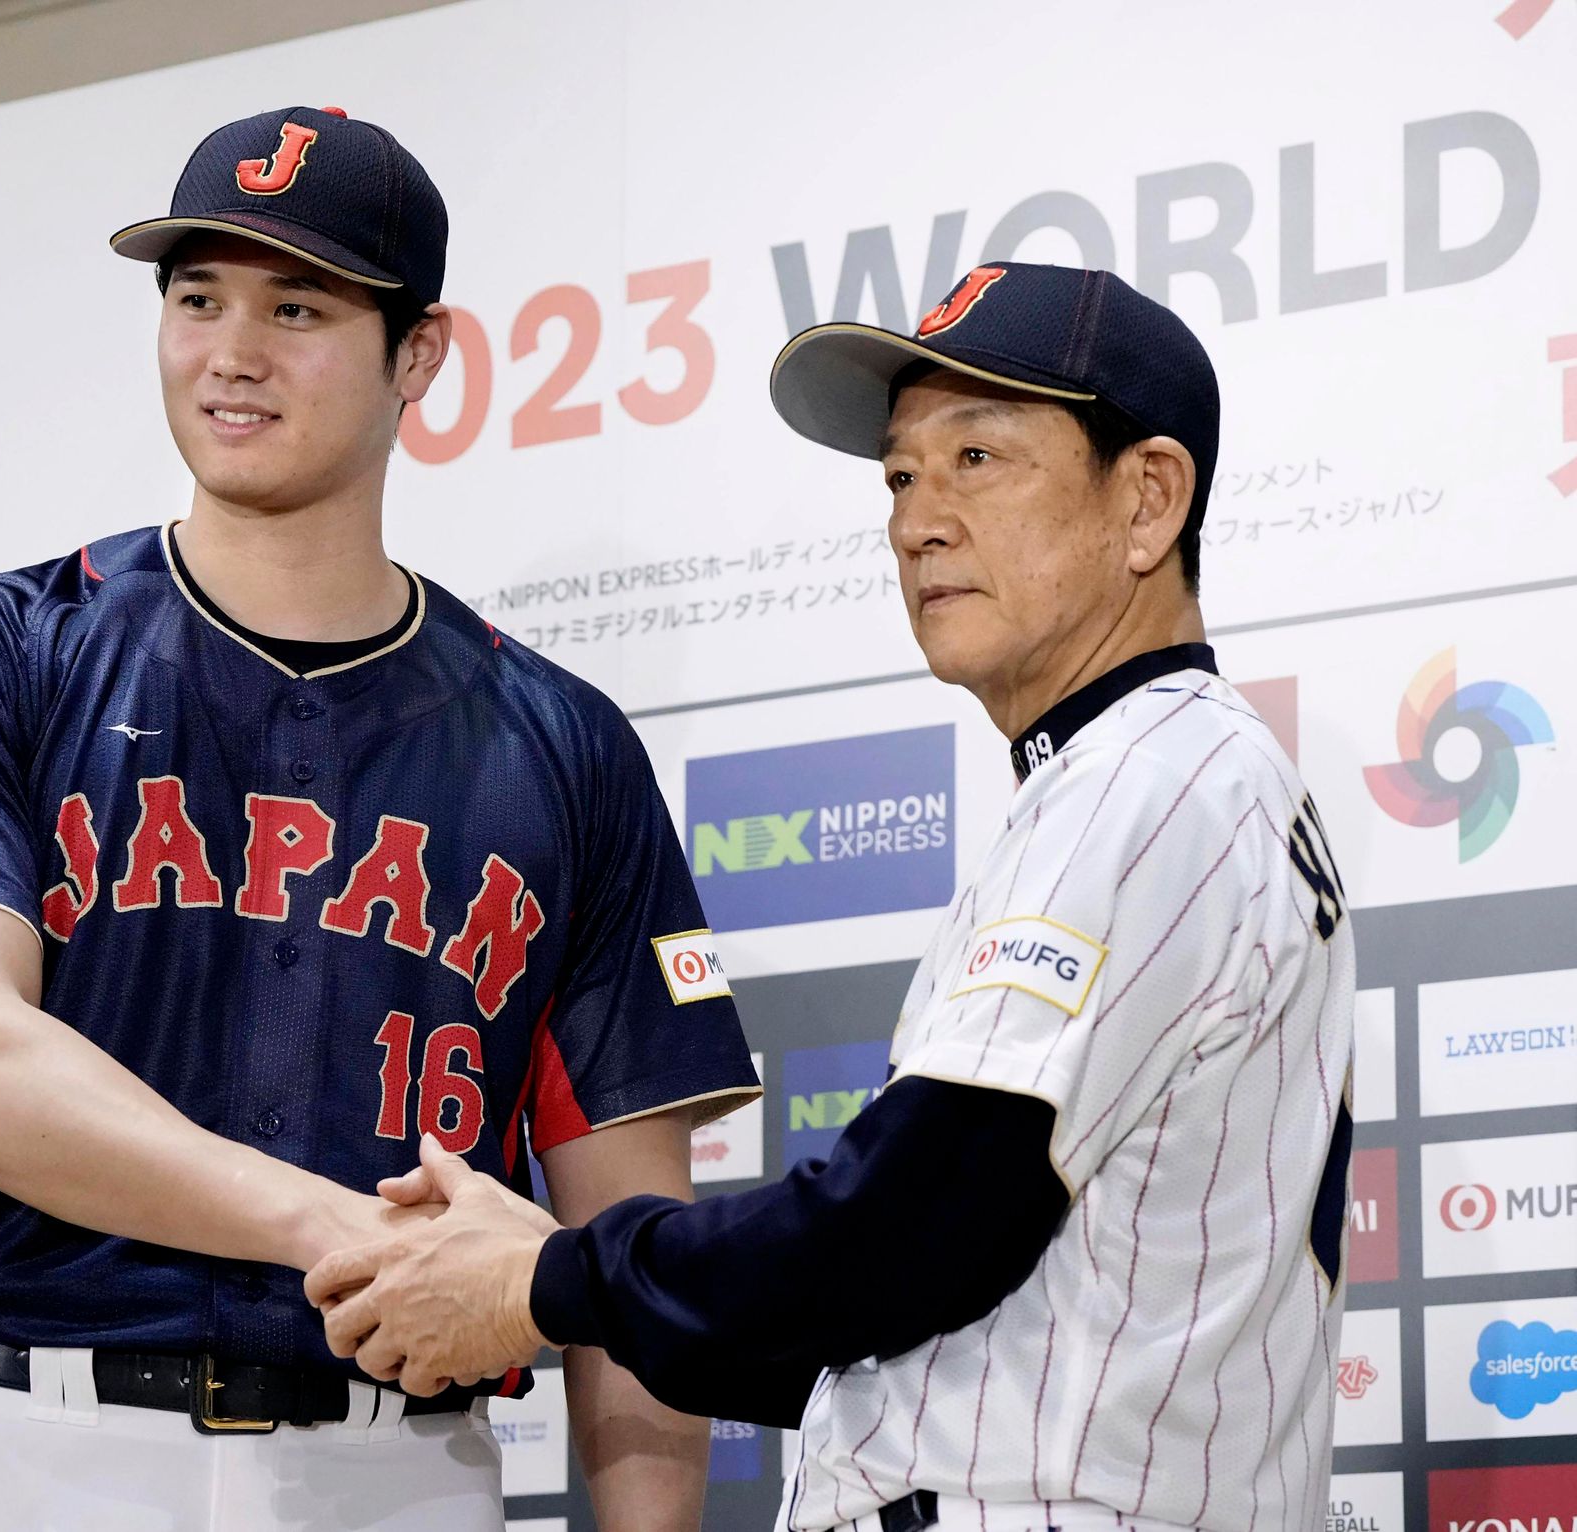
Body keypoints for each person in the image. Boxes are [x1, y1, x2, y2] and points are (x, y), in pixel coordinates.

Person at [0, 104, 759, 1532]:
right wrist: (343, 1231)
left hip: (403, 1474)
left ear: (419, 355)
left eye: (296, 306)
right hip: (38, 1452)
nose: (231, 351)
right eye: (195, 298)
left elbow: (628, 1247)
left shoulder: (569, 749)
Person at [306, 262, 1357, 1532]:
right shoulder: (1169, 773)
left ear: (1148, 501)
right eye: (903, 476)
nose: (919, 519)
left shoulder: (1142, 780)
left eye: (979, 456)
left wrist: (541, 1276)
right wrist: (554, 1272)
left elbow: (910, 1225)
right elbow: (917, 1312)